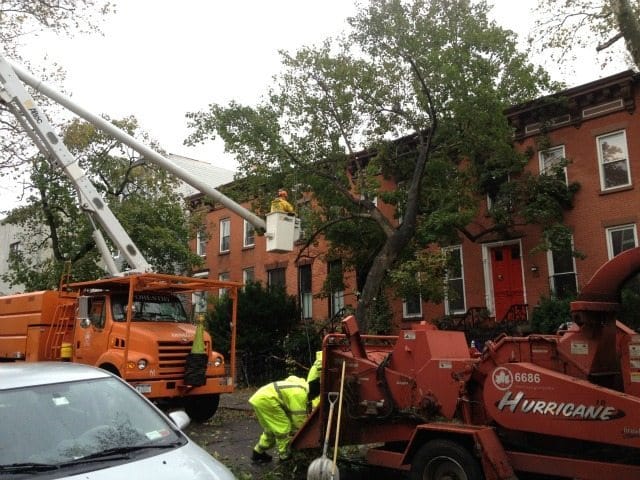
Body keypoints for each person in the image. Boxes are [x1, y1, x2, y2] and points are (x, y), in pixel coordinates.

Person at [248, 375, 309, 464]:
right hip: (267, 400)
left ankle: (258, 452)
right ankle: (284, 456)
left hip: (259, 399)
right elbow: (298, 418)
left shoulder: (295, 386)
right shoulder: (300, 393)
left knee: (271, 430)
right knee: (283, 428)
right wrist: (302, 433)